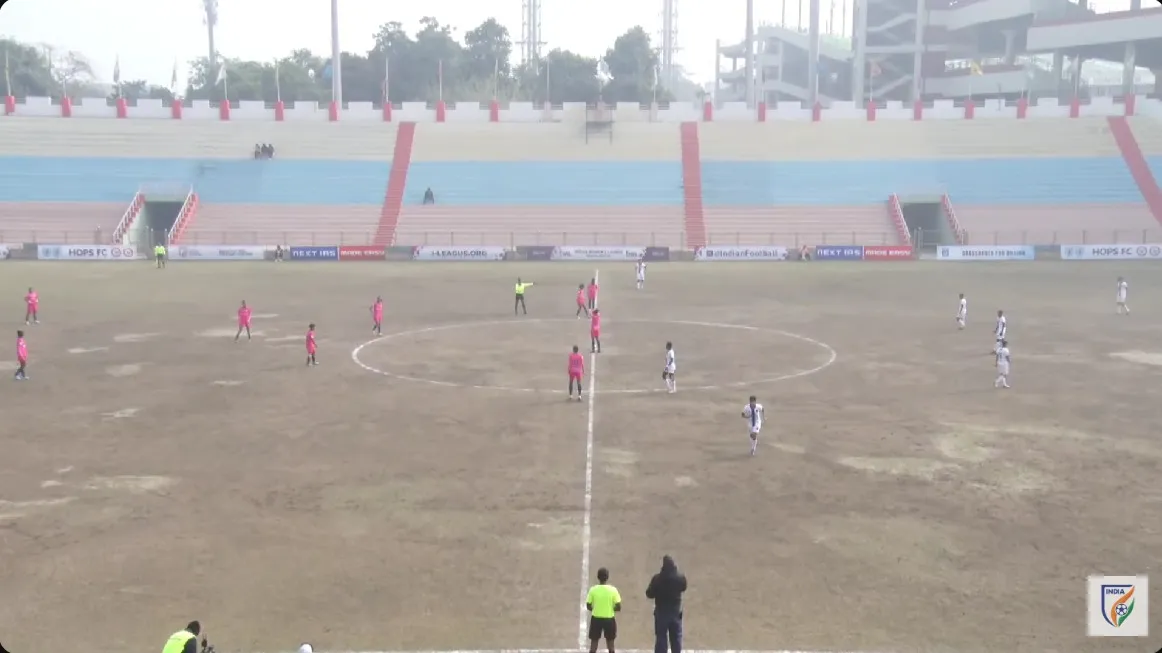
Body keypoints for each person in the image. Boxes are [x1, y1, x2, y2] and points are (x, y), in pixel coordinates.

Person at [646, 555, 687, 653]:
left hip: (661, 612)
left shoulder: (657, 579)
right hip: (675, 612)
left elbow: (649, 594)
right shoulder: (680, 578)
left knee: (661, 638)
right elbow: (684, 587)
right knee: (676, 638)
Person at [586, 567, 621, 653]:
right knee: (611, 645)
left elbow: (588, 606)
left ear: (598, 577)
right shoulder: (613, 590)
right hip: (609, 619)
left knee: (593, 644)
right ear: (607, 577)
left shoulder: (593, 590)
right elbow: (618, 607)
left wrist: (596, 609)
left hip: (596, 619)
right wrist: (610, 608)